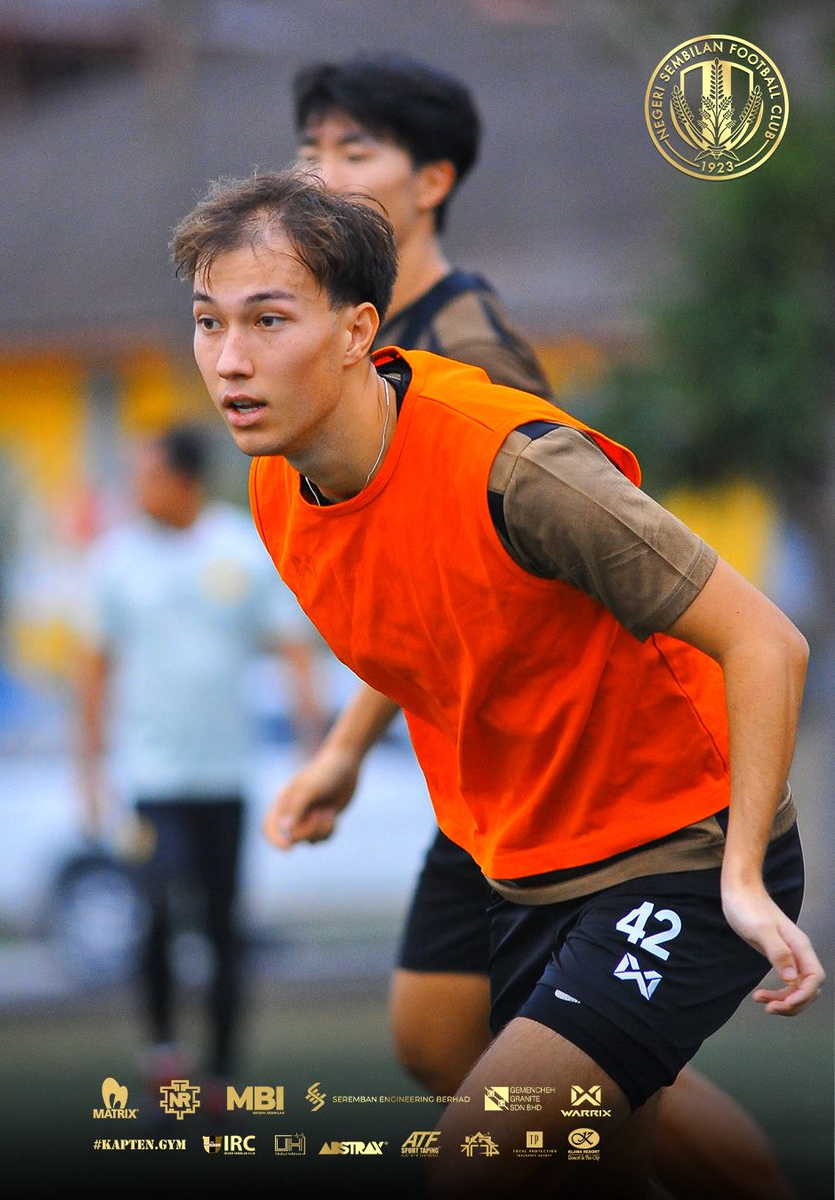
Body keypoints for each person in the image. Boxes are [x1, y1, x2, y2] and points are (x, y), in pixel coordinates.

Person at [169, 168, 823, 1196]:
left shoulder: (518, 470)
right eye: (208, 323)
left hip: (675, 857)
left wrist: (739, 874)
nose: (230, 360)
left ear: (356, 331)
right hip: (524, 873)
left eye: (267, 319)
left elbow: (768, 642)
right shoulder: (275, 485)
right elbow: (436, 626)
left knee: (478, 1166)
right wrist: (340, 754)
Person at [75, 422, 321, 1108]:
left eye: (147, 474)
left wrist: (315, 750)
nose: (136, 488)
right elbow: (91, 671)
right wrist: (88, 771)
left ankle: (219, 1074)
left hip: (226, 777)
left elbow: (290, 646)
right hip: (149, 781)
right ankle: (162, 1053)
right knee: (157, 901)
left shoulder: (237, 548)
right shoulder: (114, 560)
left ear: (183, 481)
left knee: (222, 922)